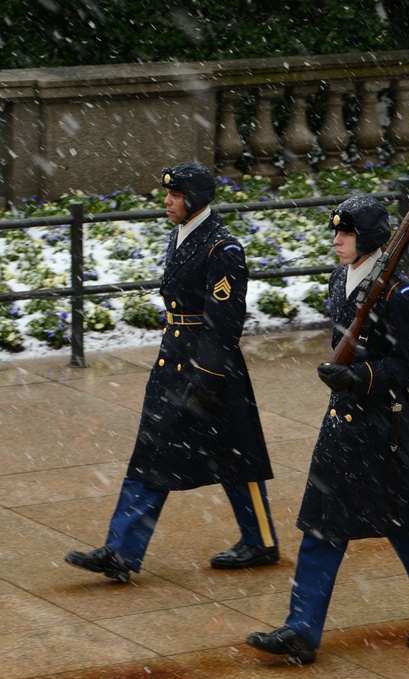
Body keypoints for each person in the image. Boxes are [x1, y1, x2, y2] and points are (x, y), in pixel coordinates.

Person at [247, 195, 409, 664]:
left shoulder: (399, 294)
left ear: (367, 240)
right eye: (336, 232)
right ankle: (302, 630)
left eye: (345, 234)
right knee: (322, 524)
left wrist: (360, 375)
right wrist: (342, 375)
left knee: (405, 523)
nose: (337, 241)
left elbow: (407, 368)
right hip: (342, 418)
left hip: (383, 422)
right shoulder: (339, 278)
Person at [65, 161, 279, 583]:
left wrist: (206, 376)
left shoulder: (223, 249)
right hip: (174, 360)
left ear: (195, 200)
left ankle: (258, 542)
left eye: (175, 195)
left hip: (206, 366)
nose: (167, 201)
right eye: (169, 194)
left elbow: (225, 321)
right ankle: (124, 552)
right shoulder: (182, 236)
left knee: (235, 456)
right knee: (165, 453)